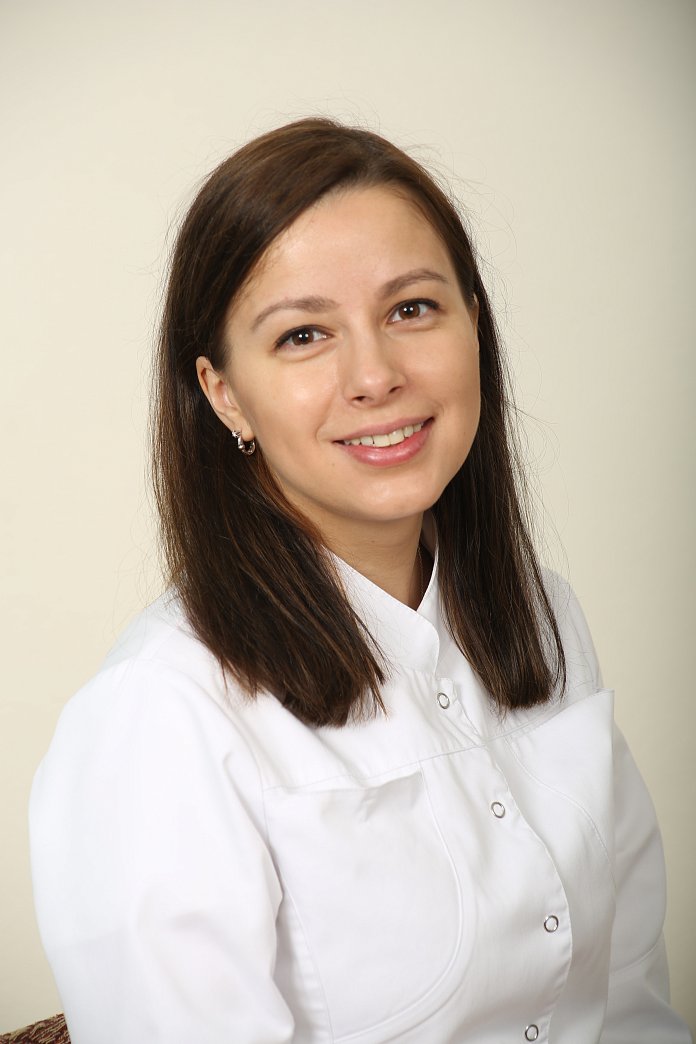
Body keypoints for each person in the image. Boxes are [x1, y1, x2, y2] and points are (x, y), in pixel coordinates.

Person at [30, 118, 691, 1043]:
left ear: (474, 326)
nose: (375, 376)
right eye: (303, 334)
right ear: (224, 393)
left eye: (411, 309)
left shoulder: (544, 617)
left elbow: (629, 1005)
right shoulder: (160, 714)